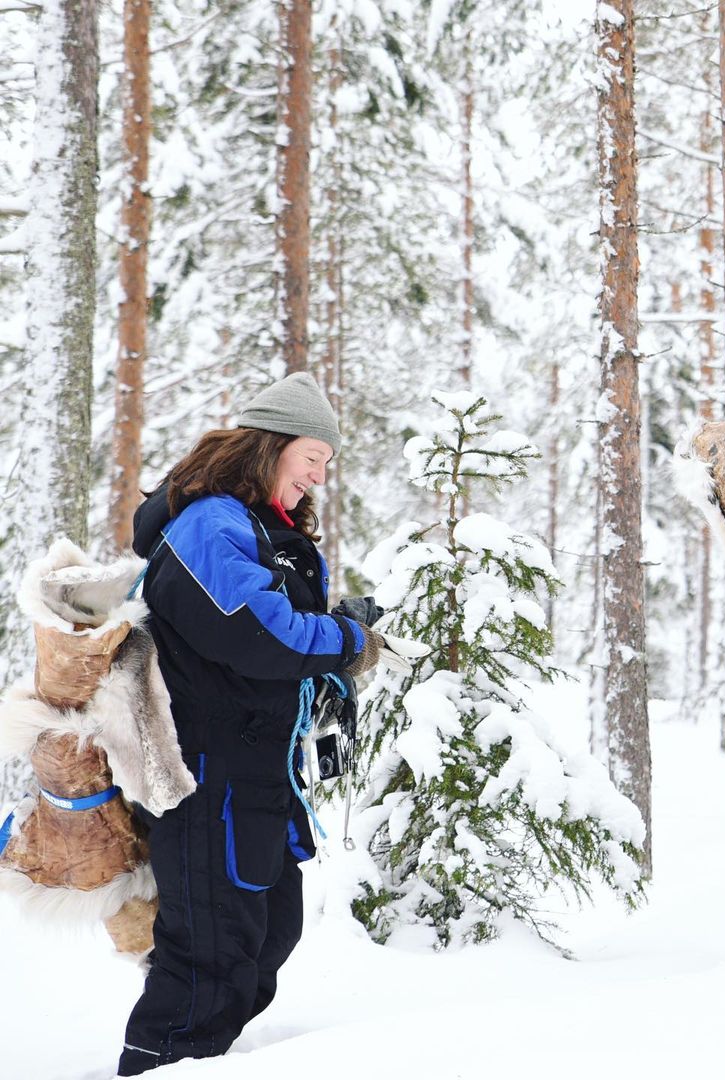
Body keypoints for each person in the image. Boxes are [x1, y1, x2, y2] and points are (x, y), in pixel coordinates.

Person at [118, 372, 384, 1074]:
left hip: (258, 777)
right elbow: (260, 634)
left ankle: (204, 1060)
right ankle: (163, 1062)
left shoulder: (257, 527)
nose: (318, 475)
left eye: (326, 463)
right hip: (210, 782)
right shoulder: (211, 524)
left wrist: (336, 633)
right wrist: (349, 641)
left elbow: (273, 629)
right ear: (271, 444)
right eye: (312, 457)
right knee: (209, 963)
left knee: (267, 937)